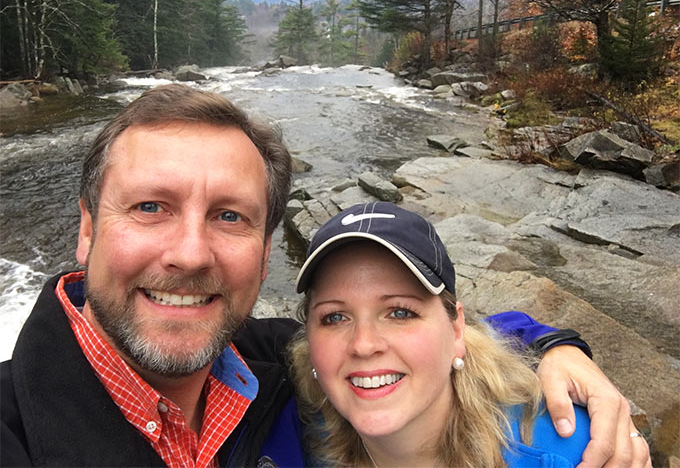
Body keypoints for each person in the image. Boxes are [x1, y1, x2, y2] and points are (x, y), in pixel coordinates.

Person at [0, 84, 648, 467]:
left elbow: (409, 341)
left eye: (229, 215)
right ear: (86, 229)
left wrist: (552, 344)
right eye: (150, 207)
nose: (191, 254)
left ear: (262, 248)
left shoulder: (263, 373)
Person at [289, 202, 652, 468]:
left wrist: (559, 344)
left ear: (457, 329)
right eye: (335, 317)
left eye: (400, 312)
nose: (364, 344)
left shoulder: (572, 452)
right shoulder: (300, 425)